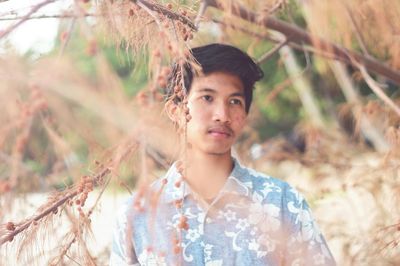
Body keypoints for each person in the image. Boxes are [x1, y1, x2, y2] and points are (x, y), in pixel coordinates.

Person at [110, 43, 336, 266]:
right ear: (176, 110)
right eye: (207, 98)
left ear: (245, 115)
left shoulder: (281, 203)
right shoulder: (137, 215)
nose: (222, 115)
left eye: (235, 102)